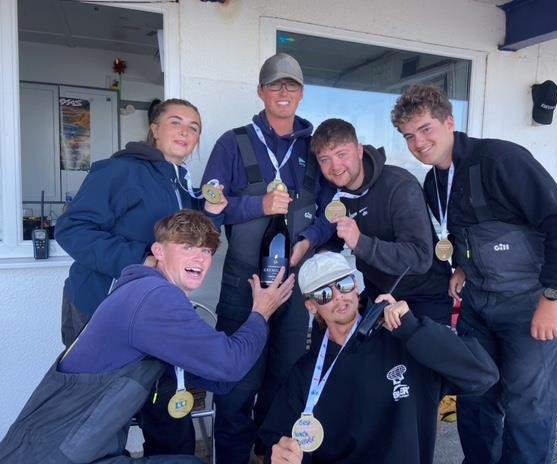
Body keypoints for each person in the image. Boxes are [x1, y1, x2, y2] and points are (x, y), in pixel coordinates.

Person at [0, 209, 295, 464]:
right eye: (186, 246)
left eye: (206, 250)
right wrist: (261, 312)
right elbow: (230, 364)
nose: (200, 258)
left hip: (71, 449)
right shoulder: (153, 298)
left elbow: (221, 377)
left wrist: (226, 357)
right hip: (57, 455)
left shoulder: (143, 291)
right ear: (158, 251)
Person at [391, 84, 557, 464]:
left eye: (426, 129)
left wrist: (552, 297)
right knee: (476, 396)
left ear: (449, 122)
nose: (418, 142)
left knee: (527, 406)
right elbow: (464, 234)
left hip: (529, 305)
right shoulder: (433, 182)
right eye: (409, 136)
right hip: (478, 305)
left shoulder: (500, 159)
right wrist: (463, 265)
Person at [55, 98, 227, 456]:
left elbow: (187, 242)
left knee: (165, 410)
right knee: (103, 420)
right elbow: (72, 229)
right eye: (175, 122)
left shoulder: (181, 184)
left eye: (193, 127)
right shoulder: (120, 171)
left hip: (154, 314)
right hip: (101, 311)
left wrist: (211, 214)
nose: (185, 131)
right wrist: (141, 259)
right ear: (154, 128)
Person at [201, 53, 335, 462]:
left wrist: (309, 239)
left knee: (285, 377)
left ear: (300, 94)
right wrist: (259, 205)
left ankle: (268, 454)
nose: (283, 92)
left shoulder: (316, 149)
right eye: (275, 84)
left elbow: (332, 211)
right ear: (261, 92)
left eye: (291, 85)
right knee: (237, 379)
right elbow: (209, 208)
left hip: (295, 286)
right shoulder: (233, 142)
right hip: (245, 284)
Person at [259, 251, 499, 464]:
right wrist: (279, 455)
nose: (339, 297)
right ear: (312, 307)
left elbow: (483, 375)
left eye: (343, 284)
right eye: (324, 293)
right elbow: (276, 437)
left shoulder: (408, 344)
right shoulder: (306, 373)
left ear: (356, 286)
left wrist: (414, 329)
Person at [310, 118, 453, 324]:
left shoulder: (400, 186)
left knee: (416, 355)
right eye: (324, 159)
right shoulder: (337, 193)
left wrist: (360, 242)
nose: (335, 166)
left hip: (424, 297)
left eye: (342, 154)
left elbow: (419, 257)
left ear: (359, 151)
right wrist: (324, 255)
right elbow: (336, 234)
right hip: (379, 293)